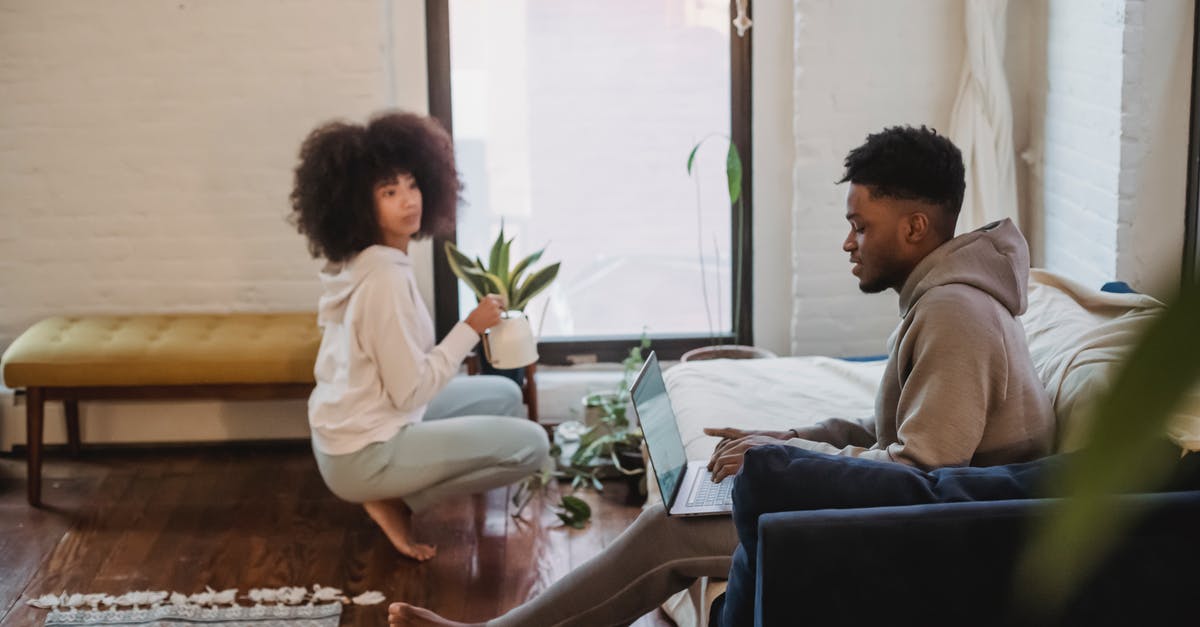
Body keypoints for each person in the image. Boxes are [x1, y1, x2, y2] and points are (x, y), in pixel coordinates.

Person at [387, 125, 1056, 625]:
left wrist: (794, 464)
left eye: (860, 225)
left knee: (668, 530)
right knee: (679, 507)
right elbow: (897, 431)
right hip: (904, 508)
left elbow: (919, 476)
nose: (848, 241)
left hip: (926, 537)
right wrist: (789, 437)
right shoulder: (940, 301)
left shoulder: (956, 316)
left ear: (914, 228)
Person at [290, 111, 551, 562]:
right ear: (357, 204)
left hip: (358, 427)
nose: (409, 201)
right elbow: (411, 391)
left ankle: (392, 489)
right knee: (533, 444)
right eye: (389, 192)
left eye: (412, 185)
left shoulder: (373, 260)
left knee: (505, 396)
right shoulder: (383, 283)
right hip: (364, 452)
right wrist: (471, 328)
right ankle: (395, 500)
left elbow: (404, 386)